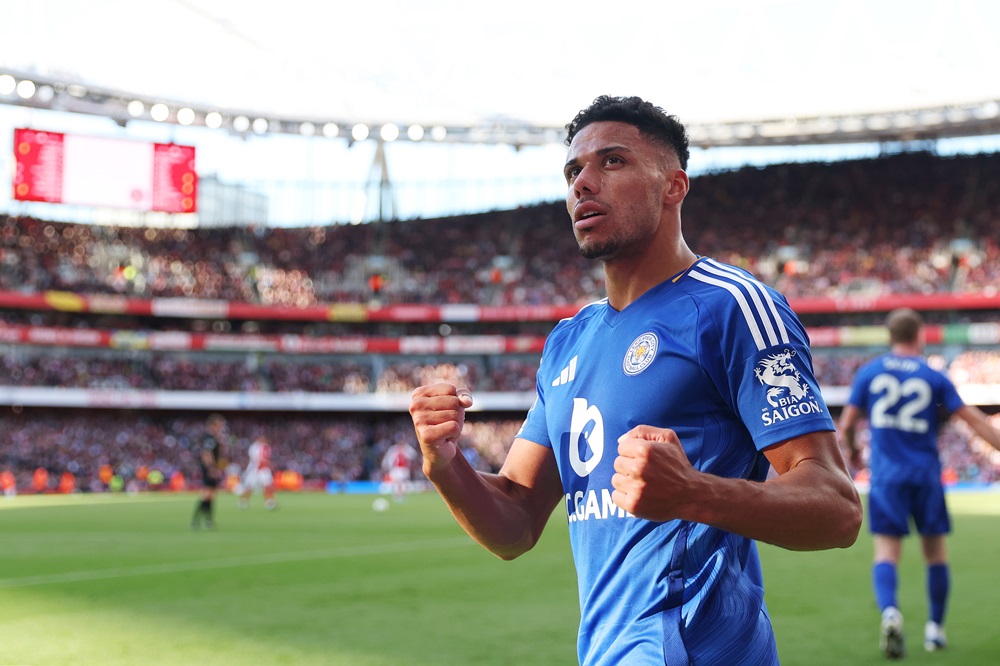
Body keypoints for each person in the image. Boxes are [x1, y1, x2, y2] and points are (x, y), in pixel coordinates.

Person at [409, 95, 863, 665]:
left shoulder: (731, 307)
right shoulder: (570, 341)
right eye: (574, 171)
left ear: (673, 186)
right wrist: (445, 462)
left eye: (612, 162)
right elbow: (515, 522)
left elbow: (837, 506)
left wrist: (695, 492)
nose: (583, 184)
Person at [839, 307, 1000, 658]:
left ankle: (891, 613)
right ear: (920, 335)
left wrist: (851, 453)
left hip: (886, 478)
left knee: (886, 552)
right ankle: (935, 631)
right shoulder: (933, 376)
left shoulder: (869, 374)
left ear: (891, 337)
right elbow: (973, 420)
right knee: (935, 554)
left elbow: (847, 424)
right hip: (926, 476)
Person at [191, 413, 229, 529]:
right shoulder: (209, 438)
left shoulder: (214, 438)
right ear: (214, 424)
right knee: (207, 494)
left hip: (211, 468)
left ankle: (206, 521)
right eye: (220, 424)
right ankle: (198, 520)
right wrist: (212, 468)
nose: (222, 427)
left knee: (211, 495)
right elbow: (206, 454)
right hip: (209, 469)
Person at [238, 434, 277, 510]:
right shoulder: (255, 447)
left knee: (268, 485)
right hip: (255, 469)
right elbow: (257, 459)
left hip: (263, 469)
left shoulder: (265, 447)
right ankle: (243, 501)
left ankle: (269, 502)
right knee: (250, 486)